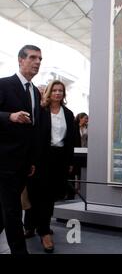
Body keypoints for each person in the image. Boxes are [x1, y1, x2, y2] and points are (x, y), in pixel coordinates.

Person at [0, 45, 42, 254]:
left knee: (6, 211)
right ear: (20, 60)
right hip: (5, 160)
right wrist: (9, 116)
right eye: (33, 58)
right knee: (13, 210)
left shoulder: (35, 91)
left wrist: (32, 161)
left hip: (24, 164)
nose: (37, 62)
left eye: (40, 59)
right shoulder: (4, 84)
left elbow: (33, 130)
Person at [25, 80, 75, 253]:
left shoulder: (68, 114)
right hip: (41, 158)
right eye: (54, 90)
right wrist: (31, 160)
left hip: (60, 159)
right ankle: (42, 231)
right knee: (38, 194)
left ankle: (37, 226)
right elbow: (33, 137)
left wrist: (69, 162)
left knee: (50, 194)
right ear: (49, 92)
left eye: (61, 90)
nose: (58, 93)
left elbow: (70, 141)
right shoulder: (41, 111)